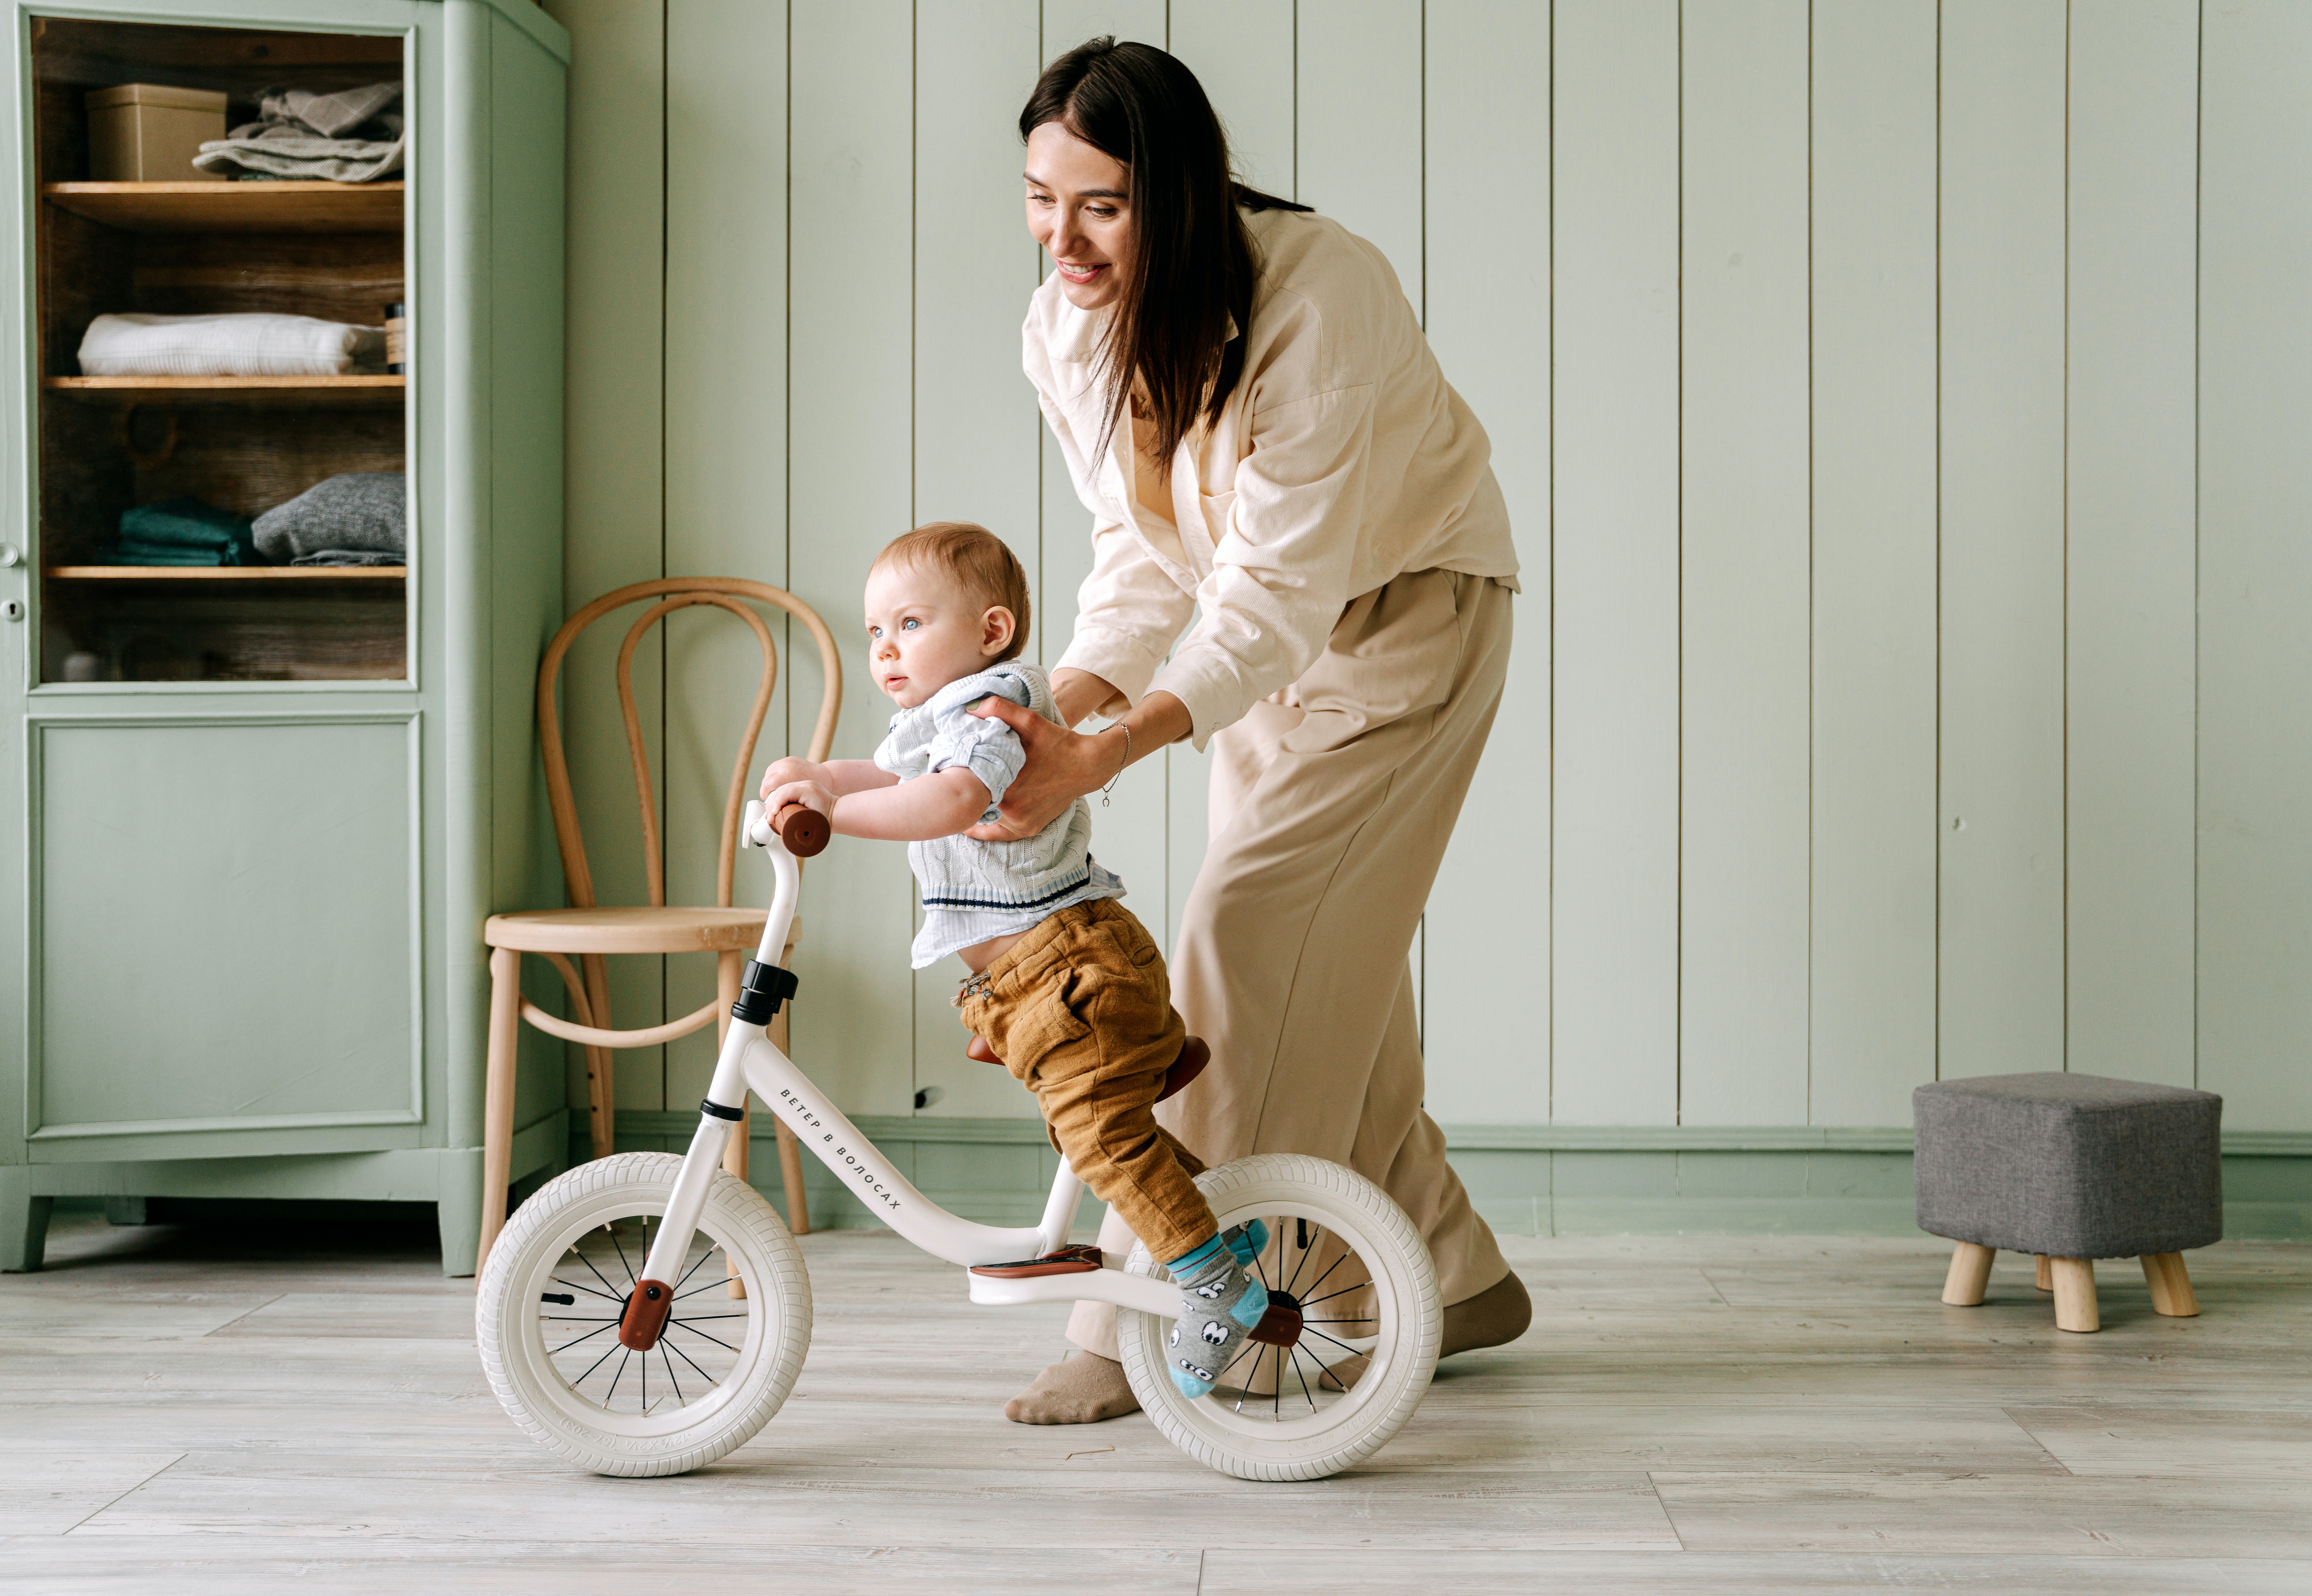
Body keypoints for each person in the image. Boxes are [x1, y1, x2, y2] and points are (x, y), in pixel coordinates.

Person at [975, 37, 1534, 1424]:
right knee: (1321, 973)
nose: (1063, 239)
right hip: (1264, 649)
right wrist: (1051, 708)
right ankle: (1453, 1274)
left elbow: (1274, 595)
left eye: (1101, 206)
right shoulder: (1064, 328)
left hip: (1406, 625)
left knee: (1242, 945)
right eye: (1041, 198)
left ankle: (1136, 1323)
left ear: (1176, 194)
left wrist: (1109, 750)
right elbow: (1144, 553)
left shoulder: (1320, 296)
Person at [760, 522, 1276, 1397]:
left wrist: (832, 814)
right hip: (1027, 980)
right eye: (876, 630)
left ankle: (1216, 1281)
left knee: (1100, 1133)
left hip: (1068, 970)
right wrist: (820, 776)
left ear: (991, 631)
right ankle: (1211, 1229)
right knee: (1099, 1131)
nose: (885, 648)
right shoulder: (937, 720)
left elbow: (949, 801)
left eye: (910, 624)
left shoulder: (991, 712)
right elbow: (897, 780)